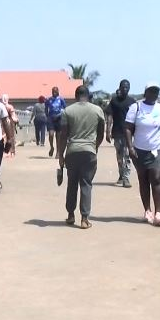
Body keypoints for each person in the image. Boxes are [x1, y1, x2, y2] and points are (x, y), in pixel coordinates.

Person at [125, 81, 160, 226]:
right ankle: (147, 210)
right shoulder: (135, 107)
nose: (153, 94)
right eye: (151, 91)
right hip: (139, 150)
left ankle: (158, 213)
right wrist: (130, 147)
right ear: (145, 93)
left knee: (156, 178)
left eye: (156, 92)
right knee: (143, 180)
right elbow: (128, 128)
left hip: (158, 148)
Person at [56, 85, 105, 229]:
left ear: (76, 95)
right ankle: (84, 219)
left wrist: (60, 155)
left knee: (72, 184)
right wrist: (95, 147)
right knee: (86, 184)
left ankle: (71, 215)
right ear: (88, 95)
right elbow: (101, 133)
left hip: (72, 151)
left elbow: (64, 135)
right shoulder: (97, 110)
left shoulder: (67, 111)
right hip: (89, 151)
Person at [105, 79, 137, 188]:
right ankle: (121, 174)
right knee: (119, 156)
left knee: (127, 155)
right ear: (120, 87)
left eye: (127, 87)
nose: (125, 89)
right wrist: (108, 131)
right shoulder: (114, 101)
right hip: (117, 132)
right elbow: (109, 116)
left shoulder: (132, 102)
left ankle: (126, 178)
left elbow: (136, 118)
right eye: (123, 87)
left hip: (128, 133)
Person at [45, 85, 66, 157]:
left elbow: (64, 108)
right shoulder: (48, 99)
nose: (54, 93)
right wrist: (47, 116)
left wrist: (62, 115)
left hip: (59, 118)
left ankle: (58, 152)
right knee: (51, 134)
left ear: (58, 92)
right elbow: (46, 108)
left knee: (58, 136)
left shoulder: (61, 99)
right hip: (51, 118)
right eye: (53, 91)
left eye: (55, 91)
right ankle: (52, 147)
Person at [1, 94, 17, 158]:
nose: (4, 100)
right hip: (5, 122)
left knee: (10, 137)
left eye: (5, 98)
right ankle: (8, 151)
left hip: (6, 122)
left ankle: (11, 151)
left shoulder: (5, 107)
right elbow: (13, 115)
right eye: (3, 98)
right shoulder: (9, 107)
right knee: (8, 137)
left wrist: (14, 118)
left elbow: (13, 115)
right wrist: (15, 119)